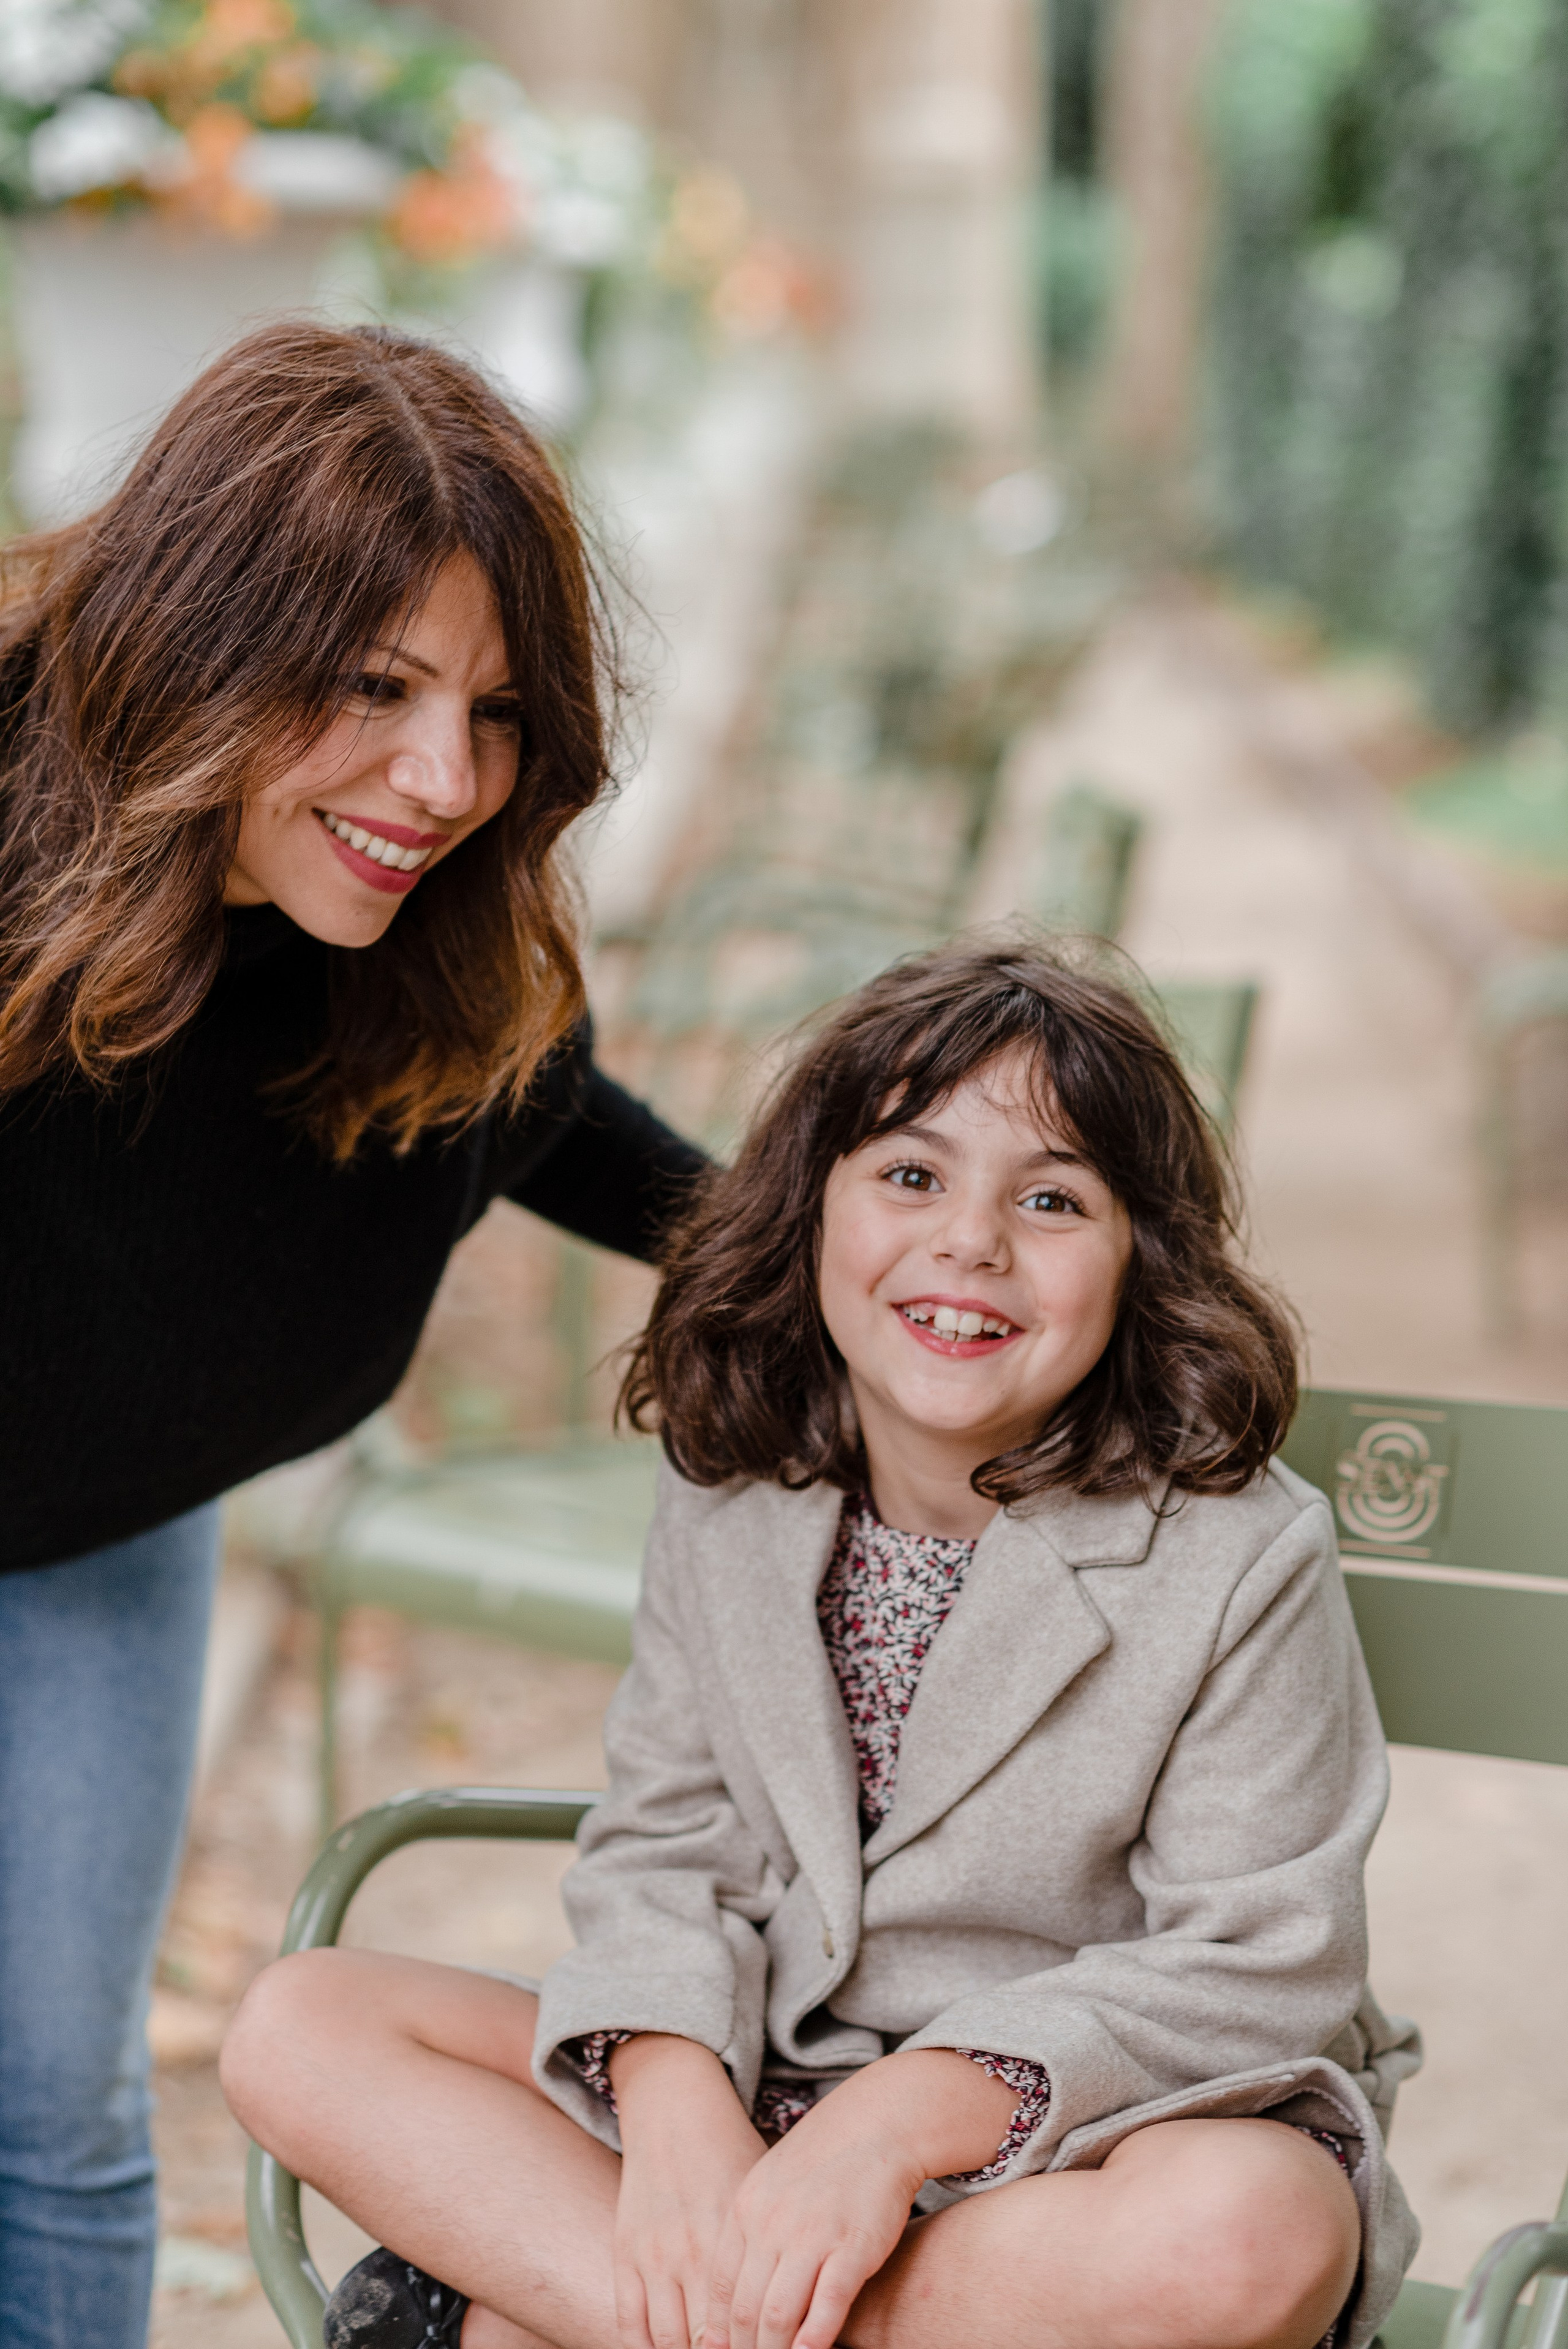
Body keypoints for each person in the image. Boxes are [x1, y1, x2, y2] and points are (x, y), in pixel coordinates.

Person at [222, 937, 1422, 2349]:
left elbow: (1256, 1958)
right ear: (807, 1213)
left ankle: (565, 2305)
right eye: (909, 1175)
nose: (969, 1240)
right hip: (760, 2089)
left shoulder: (1232, 1545)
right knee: (300, 2023)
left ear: (1137, 1263)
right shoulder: (734, 1474)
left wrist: (893, 2129)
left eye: (1050, 1198)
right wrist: (674, 2123)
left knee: (1244, 2234)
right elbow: (670, 1840)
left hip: (1075, 2132)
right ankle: (711, 2296)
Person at [0, 320, 708, 2349]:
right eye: (376, 687)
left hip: (98, 1520)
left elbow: (621, 1159)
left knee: (54, 2102)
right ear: (203, 639)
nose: (440, 779)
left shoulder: (435, 960)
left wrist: (898, 1272)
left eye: (491, 711)